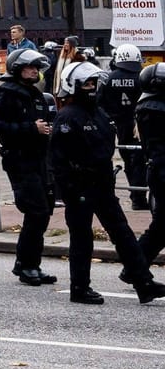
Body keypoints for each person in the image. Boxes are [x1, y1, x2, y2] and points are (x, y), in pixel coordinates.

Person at [51, 62, 160, 305]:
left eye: (93, 83)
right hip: (80, 188)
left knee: (123, 234)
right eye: (87, 84)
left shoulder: (98, 112)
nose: (92, 87)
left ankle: (143, 282)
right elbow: (58, 160)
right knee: (82, 239)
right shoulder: (67, 117)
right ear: (74, 86)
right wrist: (69, 191)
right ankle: (79, 288)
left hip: (102, 184)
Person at [0, 49, 58, 286]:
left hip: (39, 159)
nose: (34, 72)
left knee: (43, 210)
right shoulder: (7, 93)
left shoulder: (35, 94)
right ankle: (28, 265)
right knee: (36, 211)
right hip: (20, 160)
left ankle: (28, 263)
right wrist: (31, 128)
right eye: (30, 68)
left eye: (36, 69)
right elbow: (0, 127)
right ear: (17, 69)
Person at [105, 44, 146, 209]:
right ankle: (139, 197)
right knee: (141, 161)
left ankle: (135, 195)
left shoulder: (109, 78)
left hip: (120, 125)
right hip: (140, 124)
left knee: (128, 161)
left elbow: (101, 104)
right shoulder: (141, 76)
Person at [137, 65, 165, 264]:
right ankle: (134, 266)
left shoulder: (150, 104)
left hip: (159, 170)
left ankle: (134, 266)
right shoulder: (154, 108)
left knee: (161, 226)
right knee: (161, 226)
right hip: (162, 171)